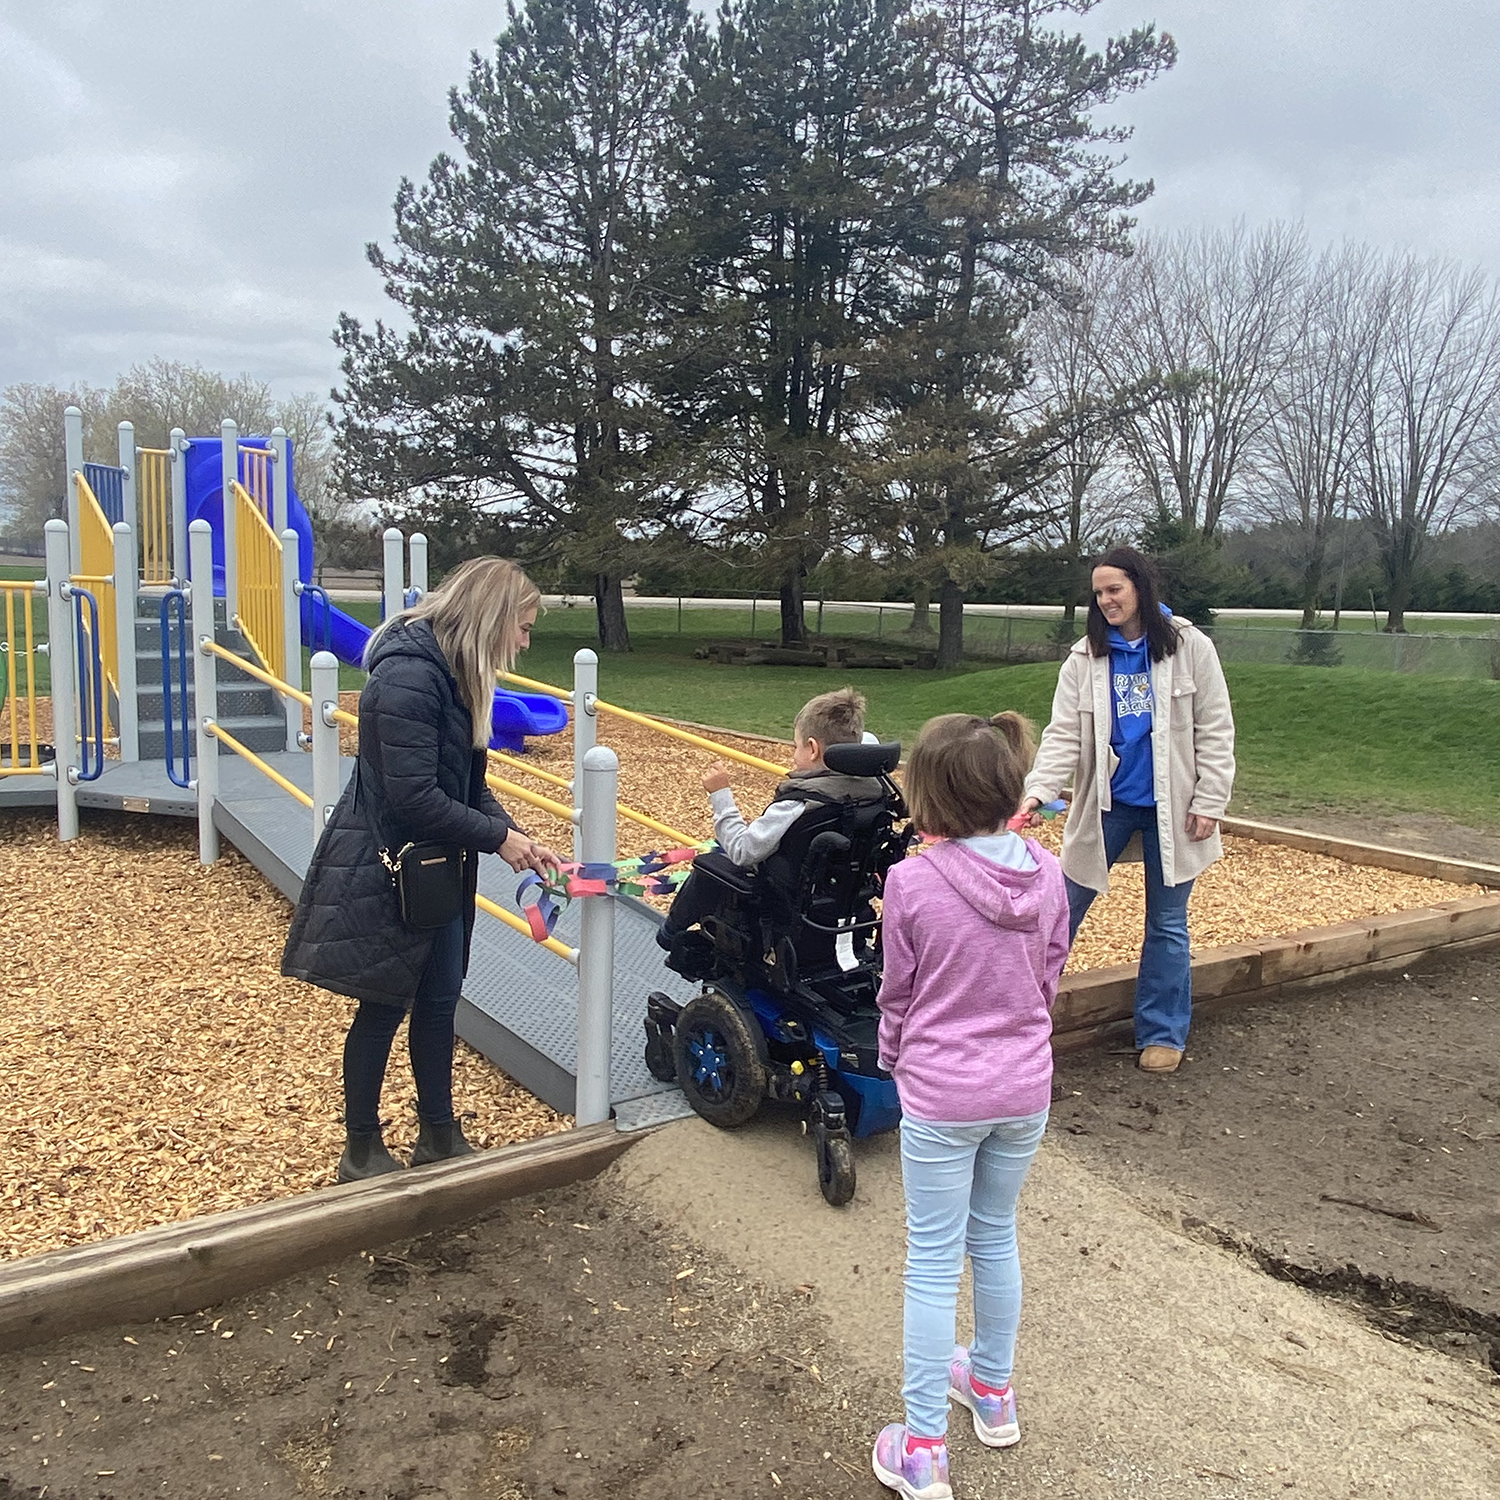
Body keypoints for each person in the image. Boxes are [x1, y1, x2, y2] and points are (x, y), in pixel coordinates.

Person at [282, 557, 560, 1183]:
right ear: (491, 618)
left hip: (434, 869)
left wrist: (516, 835)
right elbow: (414, 798)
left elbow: (464, 783)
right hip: (389, 866)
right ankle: (361, 1148)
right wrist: (498, 839)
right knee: (384, 1005)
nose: (524, 642)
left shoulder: (456, 672)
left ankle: (438, 1133)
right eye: (522, 627)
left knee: (438, 1004)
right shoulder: (409, 675)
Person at [872, 712, 1069, 1500]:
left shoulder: (912, 882)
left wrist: (893, 1056)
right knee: (994, 1235)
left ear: (929, 793)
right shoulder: (1049, 873)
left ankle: (922, 1446)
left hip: (942, 1092)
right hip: (1024, 1087)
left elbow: (897, 992)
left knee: (931, 1260)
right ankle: (991, 1390)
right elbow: (1050, 973)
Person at [1018, 546, 1235, 1074]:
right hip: (1108, 804)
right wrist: (1038, 790)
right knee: (1062, 909)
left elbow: (1215, 728)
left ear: (1140, 586)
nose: (1106, 600)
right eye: (1098, 593)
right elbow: (1063, 734)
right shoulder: (1085, 657)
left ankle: (1162, 1031)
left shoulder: (1189, 645)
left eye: (1114, 589)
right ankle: (1021, 1024)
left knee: (1167, 922)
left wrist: (1209, 800)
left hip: (1174, 808)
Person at [655, 686, 884, 957]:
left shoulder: (799, 805)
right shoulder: (877, 794)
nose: (793, 755)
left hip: (780, 914)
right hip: (841, 908)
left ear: (812, 749)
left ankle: (668, 934)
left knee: (709, 868)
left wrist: (721, 795)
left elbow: (743, 851)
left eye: (796, 746)